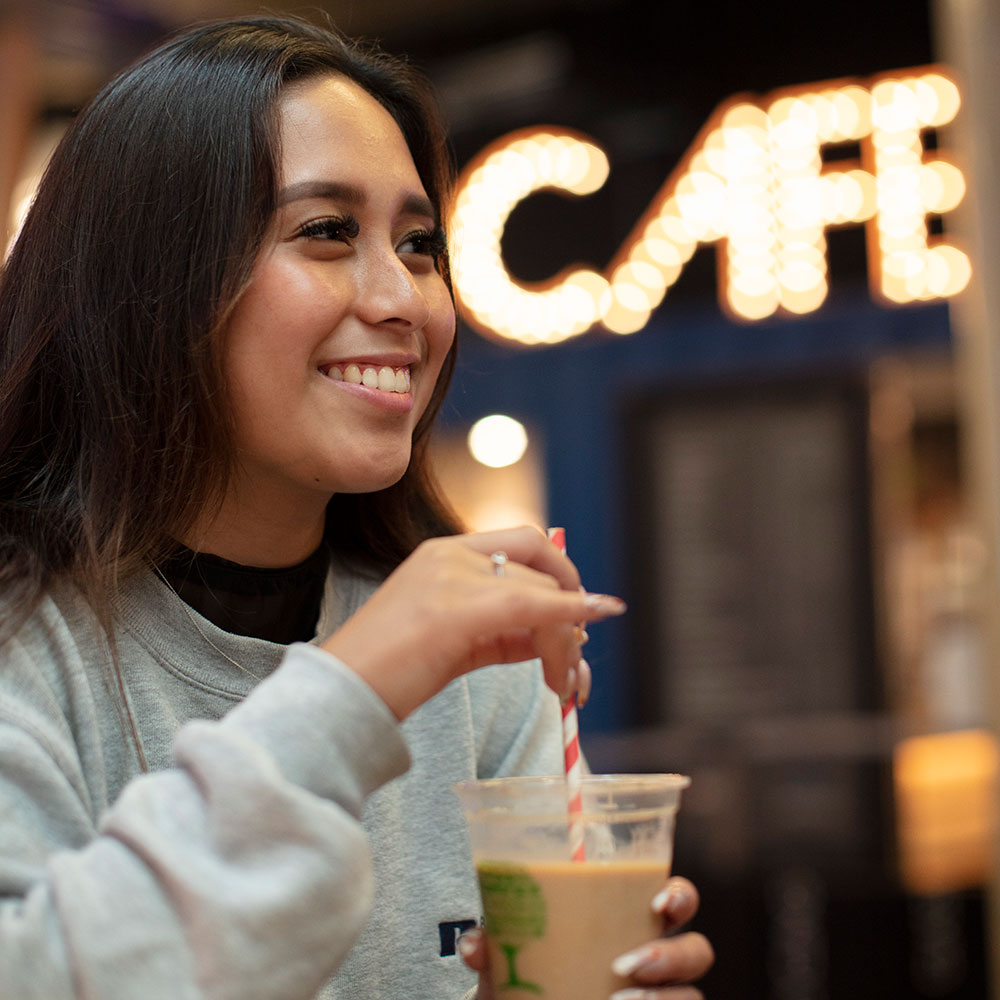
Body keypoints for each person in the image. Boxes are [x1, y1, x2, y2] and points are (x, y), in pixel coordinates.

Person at [0, 14, 714, 1000]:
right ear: (152, 279)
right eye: (326, 231)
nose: (404, 300)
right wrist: (362, 682)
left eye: (419, 243)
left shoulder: (489, 673)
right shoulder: (30, 643)